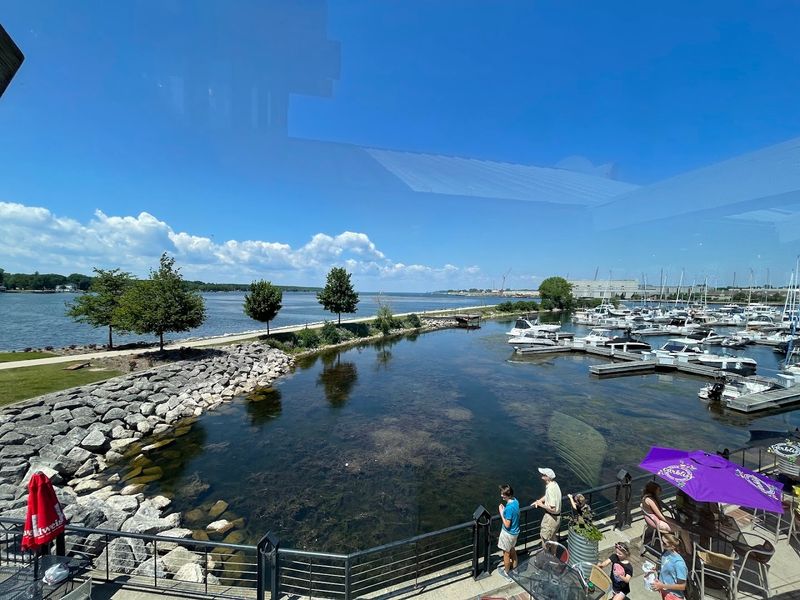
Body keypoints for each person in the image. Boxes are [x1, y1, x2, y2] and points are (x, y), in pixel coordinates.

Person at [531, 467, 561, 548]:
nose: (541, 476)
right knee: (553, 537)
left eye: (543, 475)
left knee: (545, 539)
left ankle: (545, 557)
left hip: (550, 519)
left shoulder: (550, 489)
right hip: (557, 518)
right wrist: (539, 500)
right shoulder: (554, 484)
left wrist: (541, 505)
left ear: (548, 477)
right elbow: (548, 497)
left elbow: (553, 508)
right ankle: (553, 555)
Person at [652, 533, 687, 599]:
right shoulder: (666, 553)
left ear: (672, 546)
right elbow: (663, 565)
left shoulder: (679, 563)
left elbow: (682, 586)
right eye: (661, 541)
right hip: (664, 591)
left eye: (664, 543)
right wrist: (656, 568)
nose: (661, 544)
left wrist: (662, 585)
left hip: (673, 595)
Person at [496, 484, 520, 580]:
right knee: (512, 550)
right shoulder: (515, 501)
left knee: (506, 554)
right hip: (515, 533)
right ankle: (515, 570)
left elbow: (507, 524)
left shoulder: (509, 508)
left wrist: (502, 512)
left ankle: (507, 573)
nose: (501, 495)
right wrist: (505, 509)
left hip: (508, 534)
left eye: (503, 494)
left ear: (507, 495)